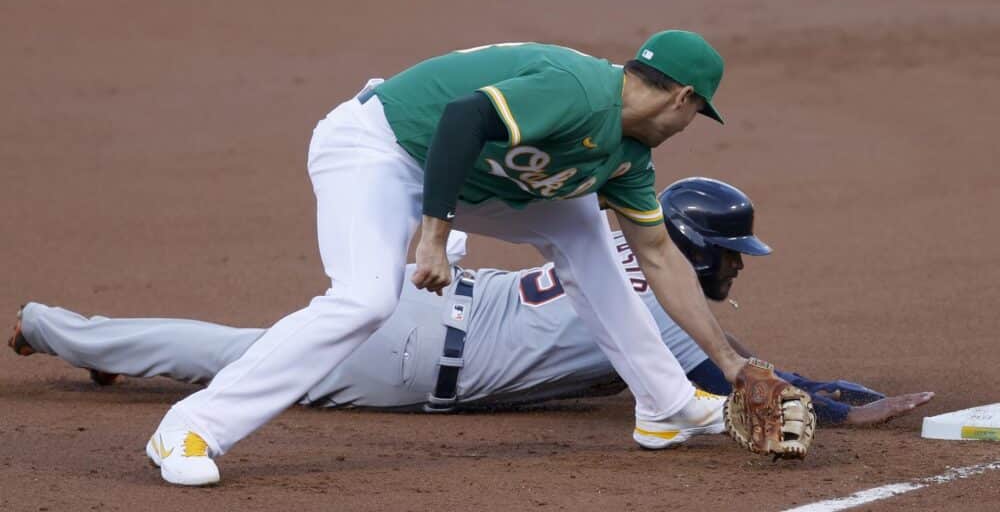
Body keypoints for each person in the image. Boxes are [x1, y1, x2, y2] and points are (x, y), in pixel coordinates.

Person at [26, 31, 761, 485]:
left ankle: (667, 405)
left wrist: (729, 367)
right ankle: (190, 428)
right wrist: (434, 234)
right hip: (379, 149)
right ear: (685, 99)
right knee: (365, 300)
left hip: (474, 178)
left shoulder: (628, 155)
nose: (693, 125)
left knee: (586, 236)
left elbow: (659, 255)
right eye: (699, 113)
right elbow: (463, 118)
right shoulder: (578, 90)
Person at [10, 178, 932, 437]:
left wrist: (845, 388)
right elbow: (737, 381)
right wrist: (853, 410)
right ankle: (53, 327)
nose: (737, 271)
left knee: (239, 347)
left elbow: (736, 356)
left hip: (445, 306)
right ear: (695, 251)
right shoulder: (659, 314)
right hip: (408, 359)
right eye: (730, 256)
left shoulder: (637, 274)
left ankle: (91, 341)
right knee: (239, 360)